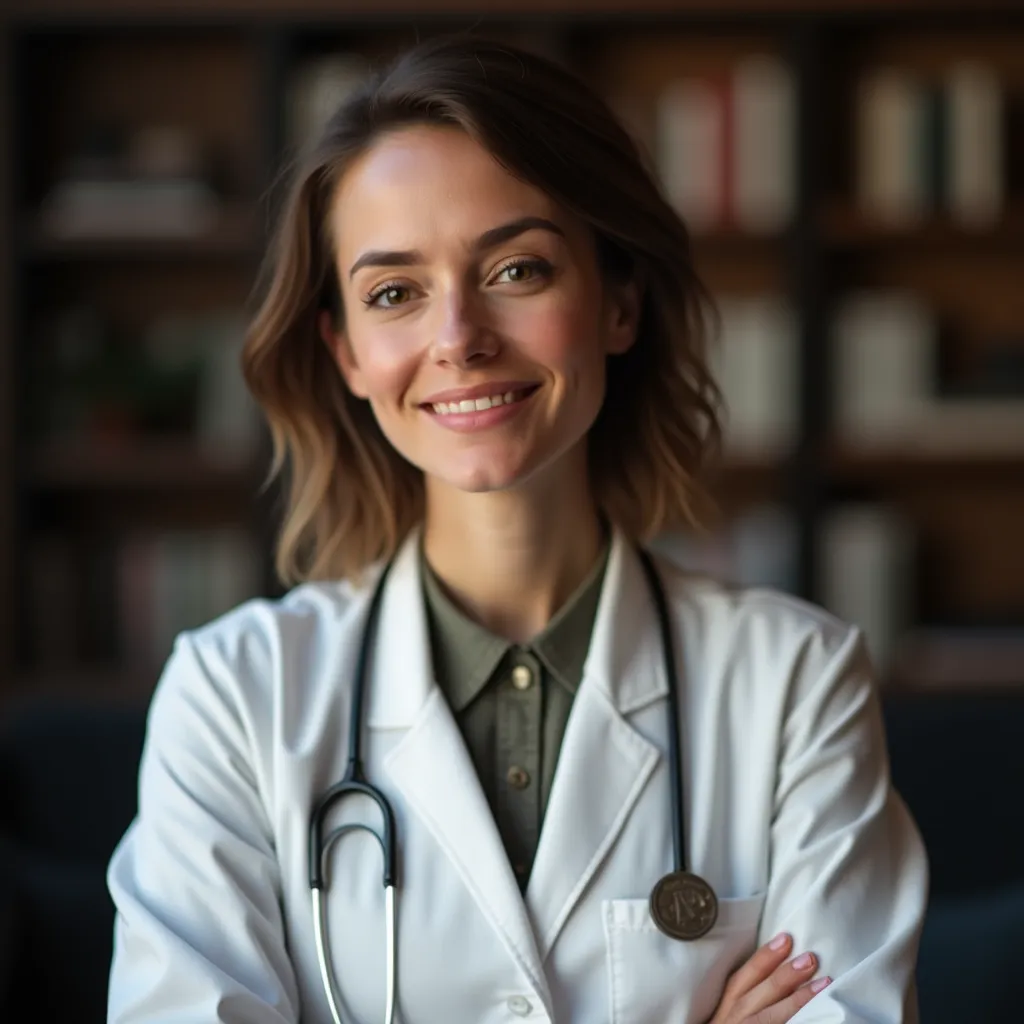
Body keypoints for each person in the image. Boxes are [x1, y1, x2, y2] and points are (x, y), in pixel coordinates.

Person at [106, 35, 928, 1024]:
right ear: (346, 352)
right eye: (394, 293)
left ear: (618, 300)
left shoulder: (795, 682)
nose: (457, 337)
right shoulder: (233, 698)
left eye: (516, 269)